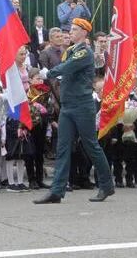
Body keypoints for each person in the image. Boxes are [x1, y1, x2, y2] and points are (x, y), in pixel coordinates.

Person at [35, 18, 115, 204]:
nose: (70, 32)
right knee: (62, 148)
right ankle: (57, 190)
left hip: (82, 105)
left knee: (91, 146)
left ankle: (106, 185)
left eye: (74, 29)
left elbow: (69, 67)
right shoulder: (71, 51)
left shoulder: (84, 52)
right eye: (70, 29)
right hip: (68, 105)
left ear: (84, 33)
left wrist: (50, 72)